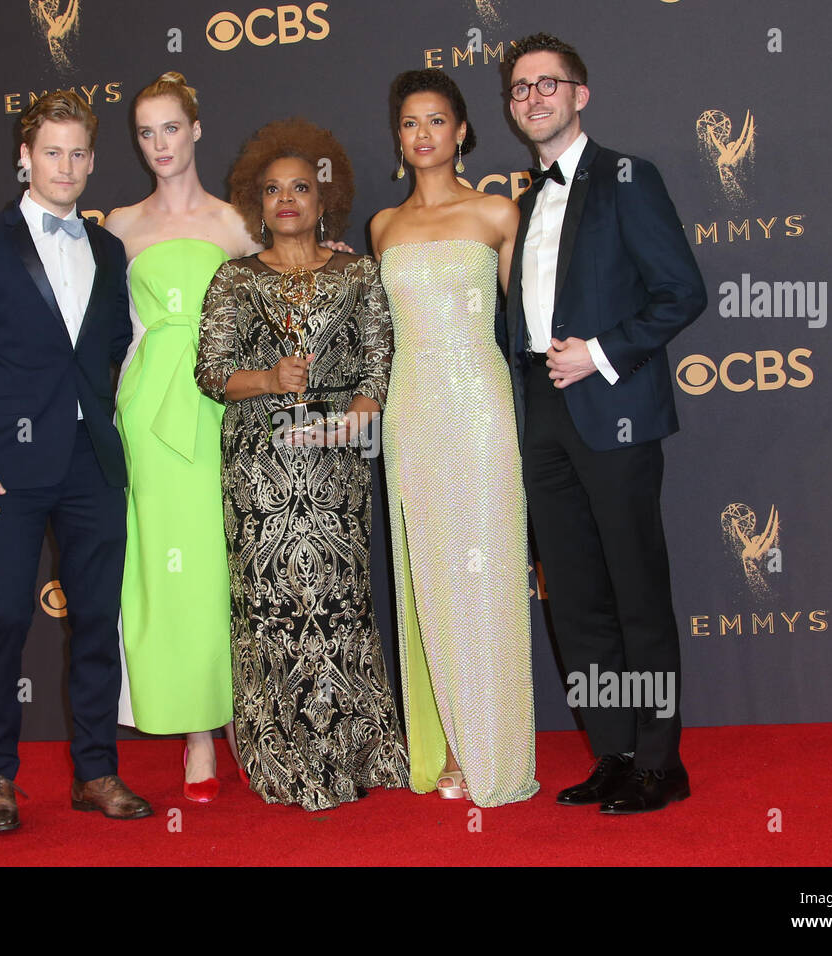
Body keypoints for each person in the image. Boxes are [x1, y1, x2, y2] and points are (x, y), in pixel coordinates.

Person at [0, 90, 151, 831]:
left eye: (78, 152)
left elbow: (111, 350)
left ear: (93, 159)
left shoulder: (110, 249)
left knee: (97, 619)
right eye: (51, 152)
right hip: (8, 468)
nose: (66, 166)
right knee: (1, 617)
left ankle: (95, 772)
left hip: (92, 461)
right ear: (24, 158)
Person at [501, 33, 706, 813]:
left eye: (548, 84)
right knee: (577, 598)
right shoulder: (525, 202)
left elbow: (681, 292)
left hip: (613, 404)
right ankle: (614, 752)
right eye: (520, 89)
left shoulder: (629, 178)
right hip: (543, 411)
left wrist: (601, 353)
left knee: (634, 590)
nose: (534, 98)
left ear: (580, 94)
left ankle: (662, 760)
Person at [195, 119, 409, 811]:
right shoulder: (233, 278)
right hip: (260, 467)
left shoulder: (358, 273)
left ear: (325, 200)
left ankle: (356, 744)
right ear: (257, 205)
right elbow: (211, 371)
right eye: (272, 190)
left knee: (340, 605)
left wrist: (358, 416)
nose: (287, 200)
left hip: (338, 464)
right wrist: (269, 378)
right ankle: (280, 747)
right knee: (271, 608)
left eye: (301, 188)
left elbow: (380, 363)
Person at [371, 69, 540, 808]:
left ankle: (490, 752)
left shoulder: (499, 214)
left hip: (481, 411)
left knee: (488, 579)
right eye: (410, 123)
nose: (424, 134)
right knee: (429, 580)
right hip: (412, 414)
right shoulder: (383, 227)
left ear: (463, 131)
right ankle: (447, 747)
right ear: (399, 138)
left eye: (437, 120)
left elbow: (526, 330)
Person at [104, 73, 261, 803]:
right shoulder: (118, 225)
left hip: (219, 405)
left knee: (222, 562)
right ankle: (195, 734)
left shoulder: (235, 223)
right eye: (145, 132)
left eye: (171, 128)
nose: (159, 145)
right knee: (167, 567)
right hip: (148, 408)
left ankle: (241, 720)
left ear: (196, 130)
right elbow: (99, 332)